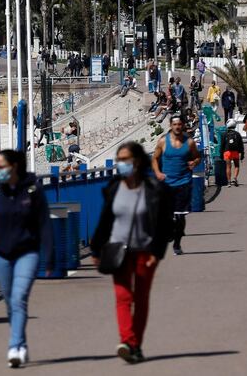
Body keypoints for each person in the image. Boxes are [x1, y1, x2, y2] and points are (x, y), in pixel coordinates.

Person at [90, 142, 173, 364]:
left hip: (146, 251)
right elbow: (106, 220)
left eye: (125, 159)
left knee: (141, 298)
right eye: (119, 160)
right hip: (119, 250)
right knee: (123, 297)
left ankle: (134, 344)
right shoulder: (115, 187)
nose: (121, 164)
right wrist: (96, 247)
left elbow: (164, 224)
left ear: (136, 161)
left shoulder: (154, 189)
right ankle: (128, 341)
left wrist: (158, 251)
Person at [0, 149, 53, 368]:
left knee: (18, 299)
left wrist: (50, 255)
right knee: (10, 302)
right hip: (1, 255)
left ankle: (15, 346)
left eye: (0, 167)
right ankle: (22, 342)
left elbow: (44, 223)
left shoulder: (33, 190)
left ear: (14, 166)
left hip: (28, 252)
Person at [152, 115, 201, 255]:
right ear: (170, 125)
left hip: (184, 182)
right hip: (167, 183)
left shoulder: (190, 142)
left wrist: (194, 163)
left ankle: (177, 244)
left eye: (179, 124)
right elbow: (155, 159)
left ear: (183, 125)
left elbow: (197, 157)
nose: (177, 127)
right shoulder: (163, 142)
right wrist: (157, 172)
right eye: (175, 124)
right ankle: (169, 232)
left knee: (180, 216)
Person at [220, 120, 245, 186]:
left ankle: (228, 182)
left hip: (227, 152)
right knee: (236, 165)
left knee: (228, 167)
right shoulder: (237, 134)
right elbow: (241, 145)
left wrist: (221, 154)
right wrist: (242, 154)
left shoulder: (224, 134)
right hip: (235, 152)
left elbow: (222, 145)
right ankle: (235, 178)